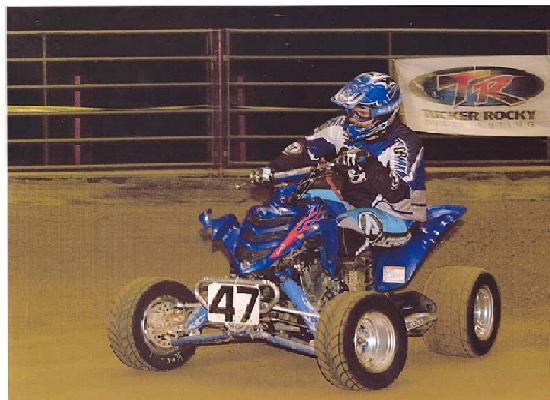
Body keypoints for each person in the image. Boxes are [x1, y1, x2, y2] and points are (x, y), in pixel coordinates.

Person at [252, 72, 427, 284]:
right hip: (352, 203)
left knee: (344, 224)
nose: (352, 118)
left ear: (384, 113)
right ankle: (274, 263)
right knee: (298, 200)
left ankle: (347, 282)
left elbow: (402, 196)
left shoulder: (404, 145)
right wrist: (272, 169)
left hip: (397, 214)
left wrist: (369, 163)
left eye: (361, 113)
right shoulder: (342, 127)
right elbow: (305, 148)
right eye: (351, 111)